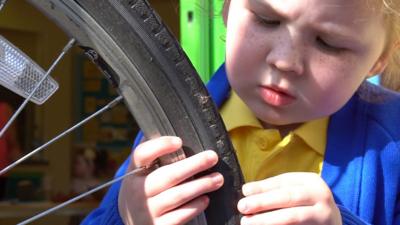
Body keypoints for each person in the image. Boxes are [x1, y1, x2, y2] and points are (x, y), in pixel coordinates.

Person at [83, 0, 400, 224]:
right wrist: (127, 216)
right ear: (228, 8)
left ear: (378, 60)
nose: (285, 61)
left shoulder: (392, 141)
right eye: (267, 19)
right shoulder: (169, 124)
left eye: (329, 43)